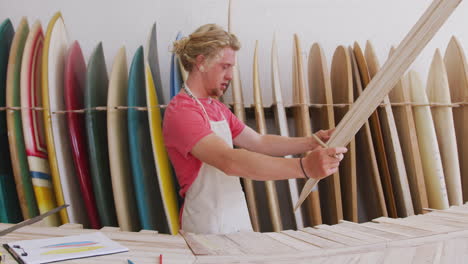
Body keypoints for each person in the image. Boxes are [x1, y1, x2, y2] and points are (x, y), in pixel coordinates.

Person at [162, 24, 347, 235]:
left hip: (236, 215)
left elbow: (259, 142)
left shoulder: (217, 108)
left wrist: (311, 141)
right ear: (201, 62)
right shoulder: (182, 111)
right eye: (225, 66)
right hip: (206, 225)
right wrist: (304, 167)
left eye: (232, 67)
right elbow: (228, 161)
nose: (231, 75)